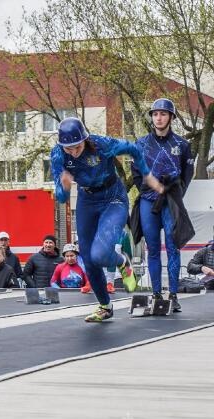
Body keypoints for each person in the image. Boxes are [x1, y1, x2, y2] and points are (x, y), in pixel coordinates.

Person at [51, 117, 151, 322]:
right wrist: (65, 186)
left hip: (113, 197)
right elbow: (61, 196)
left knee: (99, 254)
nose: (73, 151)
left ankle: (123, 262)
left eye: (76, 146)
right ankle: (105, 306)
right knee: (89, 260)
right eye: (68, 148)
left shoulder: (102, 144)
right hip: (87, 200)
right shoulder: (58, 155)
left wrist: (146, 175)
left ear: (85, 139)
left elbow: (133, 149)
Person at [132, 98, 195, 312]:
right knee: (152, 249)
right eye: (155, 114)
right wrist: (146, 190)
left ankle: (174, 294)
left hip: (171, 201)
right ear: (152, 117)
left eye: (163, 114)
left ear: (171, 117)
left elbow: (189, 172)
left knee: (173, 246)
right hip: (148, 201)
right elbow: (135, 173)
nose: (159, 118)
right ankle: (157, 294)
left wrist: (178, 194)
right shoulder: (140, 144)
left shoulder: (182, 144)